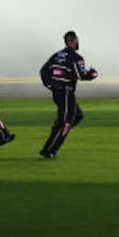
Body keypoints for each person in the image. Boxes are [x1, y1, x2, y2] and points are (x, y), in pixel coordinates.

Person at [38, 30, 98, 159]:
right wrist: (93, 75)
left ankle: (56, 131)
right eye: (77, 40)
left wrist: (50, 85)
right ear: (74, 41)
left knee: (77, 115)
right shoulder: (76, 57)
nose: (78, 42)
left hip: (58, 92)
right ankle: (49, 150)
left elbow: (43, 71)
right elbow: (81, 75)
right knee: (66, 121)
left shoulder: (56, 55)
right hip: (66, 92)